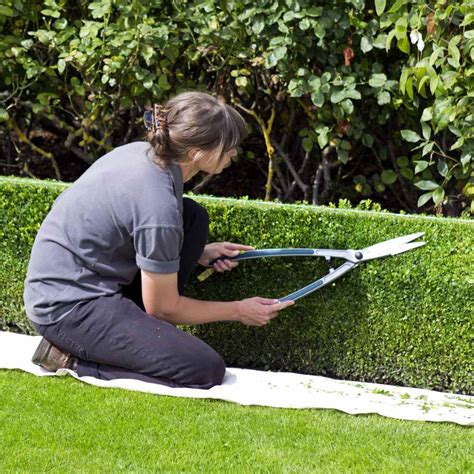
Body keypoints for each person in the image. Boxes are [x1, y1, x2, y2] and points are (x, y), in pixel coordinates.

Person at [23, 91, 294, 389]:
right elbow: (162, 308)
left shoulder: (145, 154)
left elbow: (133, 226)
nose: (234, 154)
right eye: (228, 147)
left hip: (77, 281)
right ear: (196, 152)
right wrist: (238, 310)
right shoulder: (158, 203)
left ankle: (140, 339)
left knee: (192, 217)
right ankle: (68, 357)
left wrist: (199, 251)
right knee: (205, 370)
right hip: (68, 307)